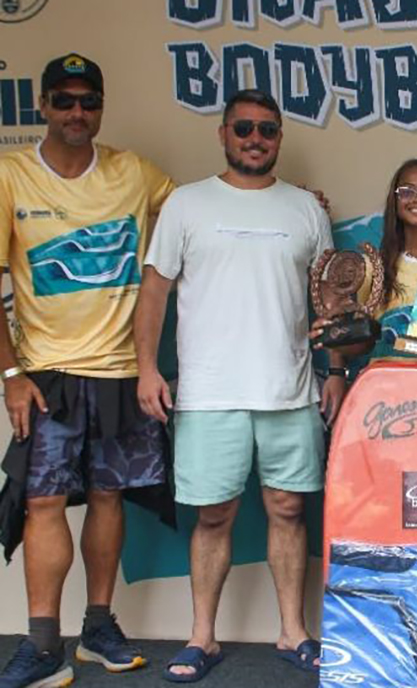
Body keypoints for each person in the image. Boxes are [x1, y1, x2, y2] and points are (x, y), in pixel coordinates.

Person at [134, 89, 342, 682]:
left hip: (290, 389)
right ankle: (203, 638)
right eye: (244, 128)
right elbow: (154, 293)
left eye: (268, 129)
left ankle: (292, 632)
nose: (256, 138)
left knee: (288, 508)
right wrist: (148, 369)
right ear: (223, 135)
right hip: (209, 393)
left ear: (280, 138)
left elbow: (328, 300)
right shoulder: (186, 204)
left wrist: (332, 371)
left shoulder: (306, 209)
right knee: (215, 516)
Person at [0, 53, 175, 688]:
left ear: (101, 107)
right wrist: (12, 374)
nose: (78, 112)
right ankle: (43, 645)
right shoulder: (10, 175)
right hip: (46, 373)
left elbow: (201, 217)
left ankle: (97, 628)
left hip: (123, 371)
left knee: (107, 497)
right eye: (66, 100)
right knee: (42, 502)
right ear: (43, 105)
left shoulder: (136, 173)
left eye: (89, 101)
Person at [313, 158, 417, 380]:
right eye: (407, 191)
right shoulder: (371, 267)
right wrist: (334, 335)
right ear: (395, 200)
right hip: (384, 391)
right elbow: (364, 344)